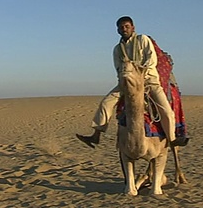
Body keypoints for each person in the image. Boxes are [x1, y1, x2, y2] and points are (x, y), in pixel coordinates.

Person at [76, 16, 189, 148]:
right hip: (127, 83)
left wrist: (139, 75)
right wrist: (126, 80)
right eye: (121, 27)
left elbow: (151, 60)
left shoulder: (143, 40)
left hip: (148, 81)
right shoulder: (117, 49)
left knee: (165, 110)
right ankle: (96, 135)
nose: (124, 29)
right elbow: (118, 68)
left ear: (133, 28)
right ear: (117, 30)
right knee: (106, 104)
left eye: (127, 26)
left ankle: (172, 139)